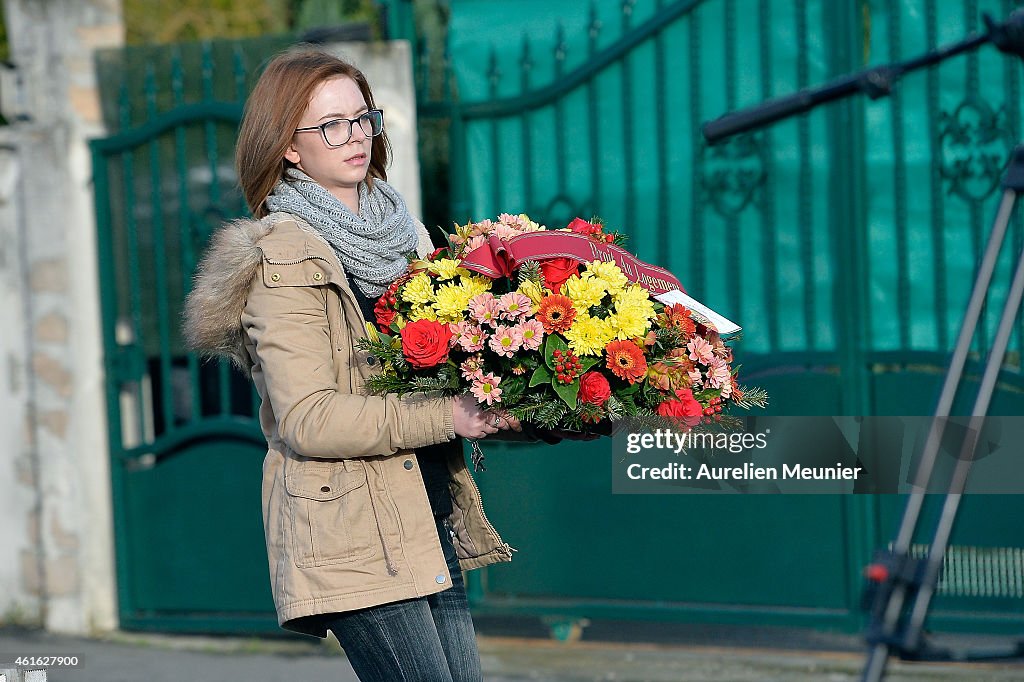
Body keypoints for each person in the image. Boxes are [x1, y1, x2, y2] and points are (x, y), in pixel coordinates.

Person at [182, 47, 521, 682]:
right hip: (351, 533)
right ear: (287, 146)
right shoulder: (282, 260)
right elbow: (309, 419)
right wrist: (449, 413)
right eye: (330, 125)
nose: (355, 137)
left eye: (362, 118)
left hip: (425, 508)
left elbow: (446, 370)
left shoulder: (406, 236)